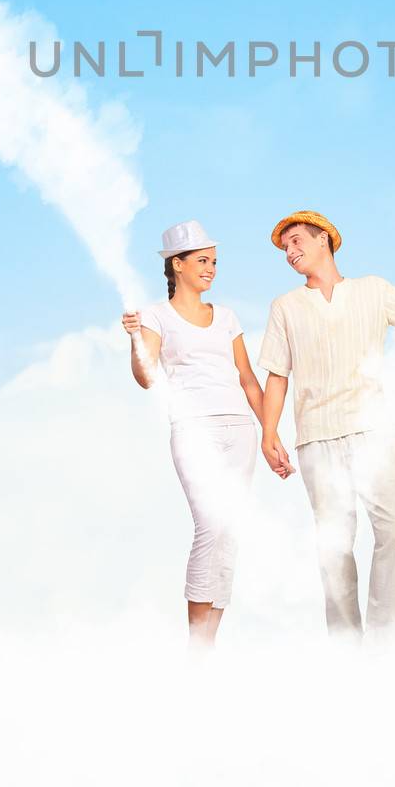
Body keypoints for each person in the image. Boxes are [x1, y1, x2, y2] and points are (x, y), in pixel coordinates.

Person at [257, 210, 395, 643]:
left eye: (297, 241)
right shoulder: (285, 306)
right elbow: (277, 375)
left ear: (325, 241)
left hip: (374, 432)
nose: (290, 252)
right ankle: (345, 649)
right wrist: (268, 434)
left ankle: (385, 645)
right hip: (317, 438)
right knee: (334, 547)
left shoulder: (372, 290)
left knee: (391, 537)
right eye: (285, 248)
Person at [121, 219, 266, 651]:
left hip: (240, 428)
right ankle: (195, 650)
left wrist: (271, 433)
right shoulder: (154, 316)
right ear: (177, 264)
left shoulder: (227, 317)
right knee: (209, 526)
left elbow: (247, 377)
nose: (211, 269)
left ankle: (208, 647)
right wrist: (134, 340)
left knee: (229, 531)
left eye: (215, 262)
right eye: (202, 261)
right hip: (193, 429)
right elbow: (146, 378)